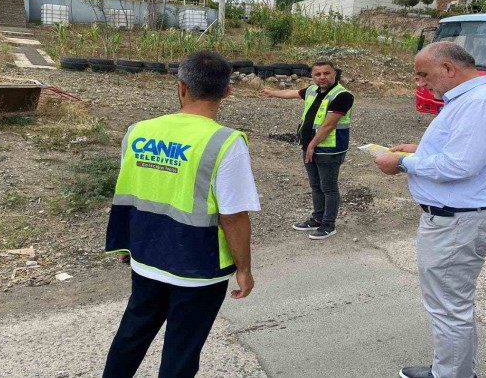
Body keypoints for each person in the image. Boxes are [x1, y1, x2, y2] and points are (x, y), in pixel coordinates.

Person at [103, 51, 260, 378]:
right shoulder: (225, 143)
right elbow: (233, 216)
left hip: (146, 256)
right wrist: (244, 268)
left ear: (181, 88)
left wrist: (128, 246)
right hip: (198, 268)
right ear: (226, 92)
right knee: (182, 348)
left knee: (132, 333)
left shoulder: (137, 131)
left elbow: (132, 193)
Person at [374, 42, 486, 378]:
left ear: (449, 69)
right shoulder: (476, 100)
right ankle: (455, 371)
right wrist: (420, 150)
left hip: (458, 223)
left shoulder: (481, 103)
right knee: (452, 305)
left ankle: (450, 375)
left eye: (424, 74)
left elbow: (459, 165)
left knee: (448, 308)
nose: (421, 83)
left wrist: (403, 162)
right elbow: (464, 152)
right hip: (461, 219)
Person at [260, 61, 354, 240]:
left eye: (326, 73)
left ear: (335, 74)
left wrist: (311, 145)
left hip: (329, 149)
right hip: (309, 146)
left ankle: (328, 224)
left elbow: (328, 125)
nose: (322, 77)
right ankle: (317, 218)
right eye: (317, 74)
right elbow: (292, 93)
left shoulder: (343, 96)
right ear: (312, 76)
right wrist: (272, 93)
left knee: (329, 188)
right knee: (316, 186)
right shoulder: (312, 90)